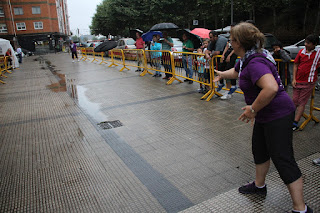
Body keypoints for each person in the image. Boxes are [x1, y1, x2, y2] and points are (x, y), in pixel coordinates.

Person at [214, 22, 313, 213]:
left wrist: (252, 108)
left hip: (278, 114)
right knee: (259, 150)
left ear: (240, 42)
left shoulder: (256, 62)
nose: (230, 43)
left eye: (232, 40)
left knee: (283, 159)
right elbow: (236, 72)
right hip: (265, 115)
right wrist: (220, 74)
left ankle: (301, 209)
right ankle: (259, 187)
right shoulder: (246, 58)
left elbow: (271, 88)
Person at [292, 34, 320, 131]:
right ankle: (289, 119)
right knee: (294, 101)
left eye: (308, 43)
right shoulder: (301, 52)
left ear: (315, 44)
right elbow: (295, 64)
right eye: (305, 42)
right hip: (298, 81)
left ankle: (295, 122)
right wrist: (294, 79)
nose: (306, 44)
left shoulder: (318, 53)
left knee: (301, 103)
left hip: (308, 82)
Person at [219, 23, 238, 99]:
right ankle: (227, 88)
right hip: (228, 53)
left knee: (229, 70)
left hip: (233, 54)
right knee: (222, 68)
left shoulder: (238, 36)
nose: (231, 29)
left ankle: (232, 87)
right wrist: (223, 54)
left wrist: (230, 55)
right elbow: (227, 45)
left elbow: (236, 47)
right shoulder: (230, 36)